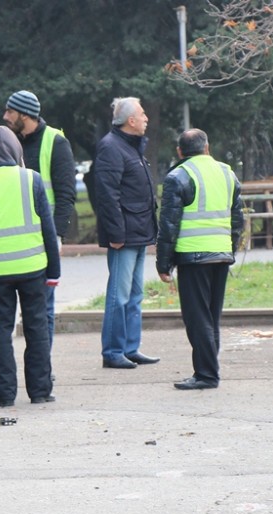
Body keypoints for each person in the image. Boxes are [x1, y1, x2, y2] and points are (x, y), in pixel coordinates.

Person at [0, 126, 60, 407]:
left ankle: (4, 395)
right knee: (37, 328)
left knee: (0, 333)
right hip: (33, 268)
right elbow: (47, 228)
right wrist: (54, 271)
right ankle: (40, 391)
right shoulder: (32, 179)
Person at [156, 128, 243, 390]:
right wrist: (230, 249)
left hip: (193, 256)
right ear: (207, 147)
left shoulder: (178, 176)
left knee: (197, 319)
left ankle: (206, 374)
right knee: (212, 317)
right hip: (220, 254)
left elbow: (169, 224)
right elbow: (237, 219)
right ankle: (209, 369)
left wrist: (163, 263)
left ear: (180, 152)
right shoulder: (228, 173)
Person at [3, 90, 77, 346]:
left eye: (10, 112)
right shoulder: (8, 141)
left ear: (25, 114)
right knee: (3, 309)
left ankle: (42, 365)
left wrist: (56, 236)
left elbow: (66, 195)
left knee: (43, 306)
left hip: (43, 238)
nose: (5, 116)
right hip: (10, 237)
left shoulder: (55, 142)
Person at [93, 96, 160, 370]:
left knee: (134, 295)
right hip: (125, 234)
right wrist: (117, 234)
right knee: (118, 296)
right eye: (142, 114)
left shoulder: (131, 146)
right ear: (130, 120)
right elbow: (107, 195)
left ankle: (130, 348)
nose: (146, 118)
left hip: (139, 230)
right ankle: (112, 351)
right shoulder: (111, 147)